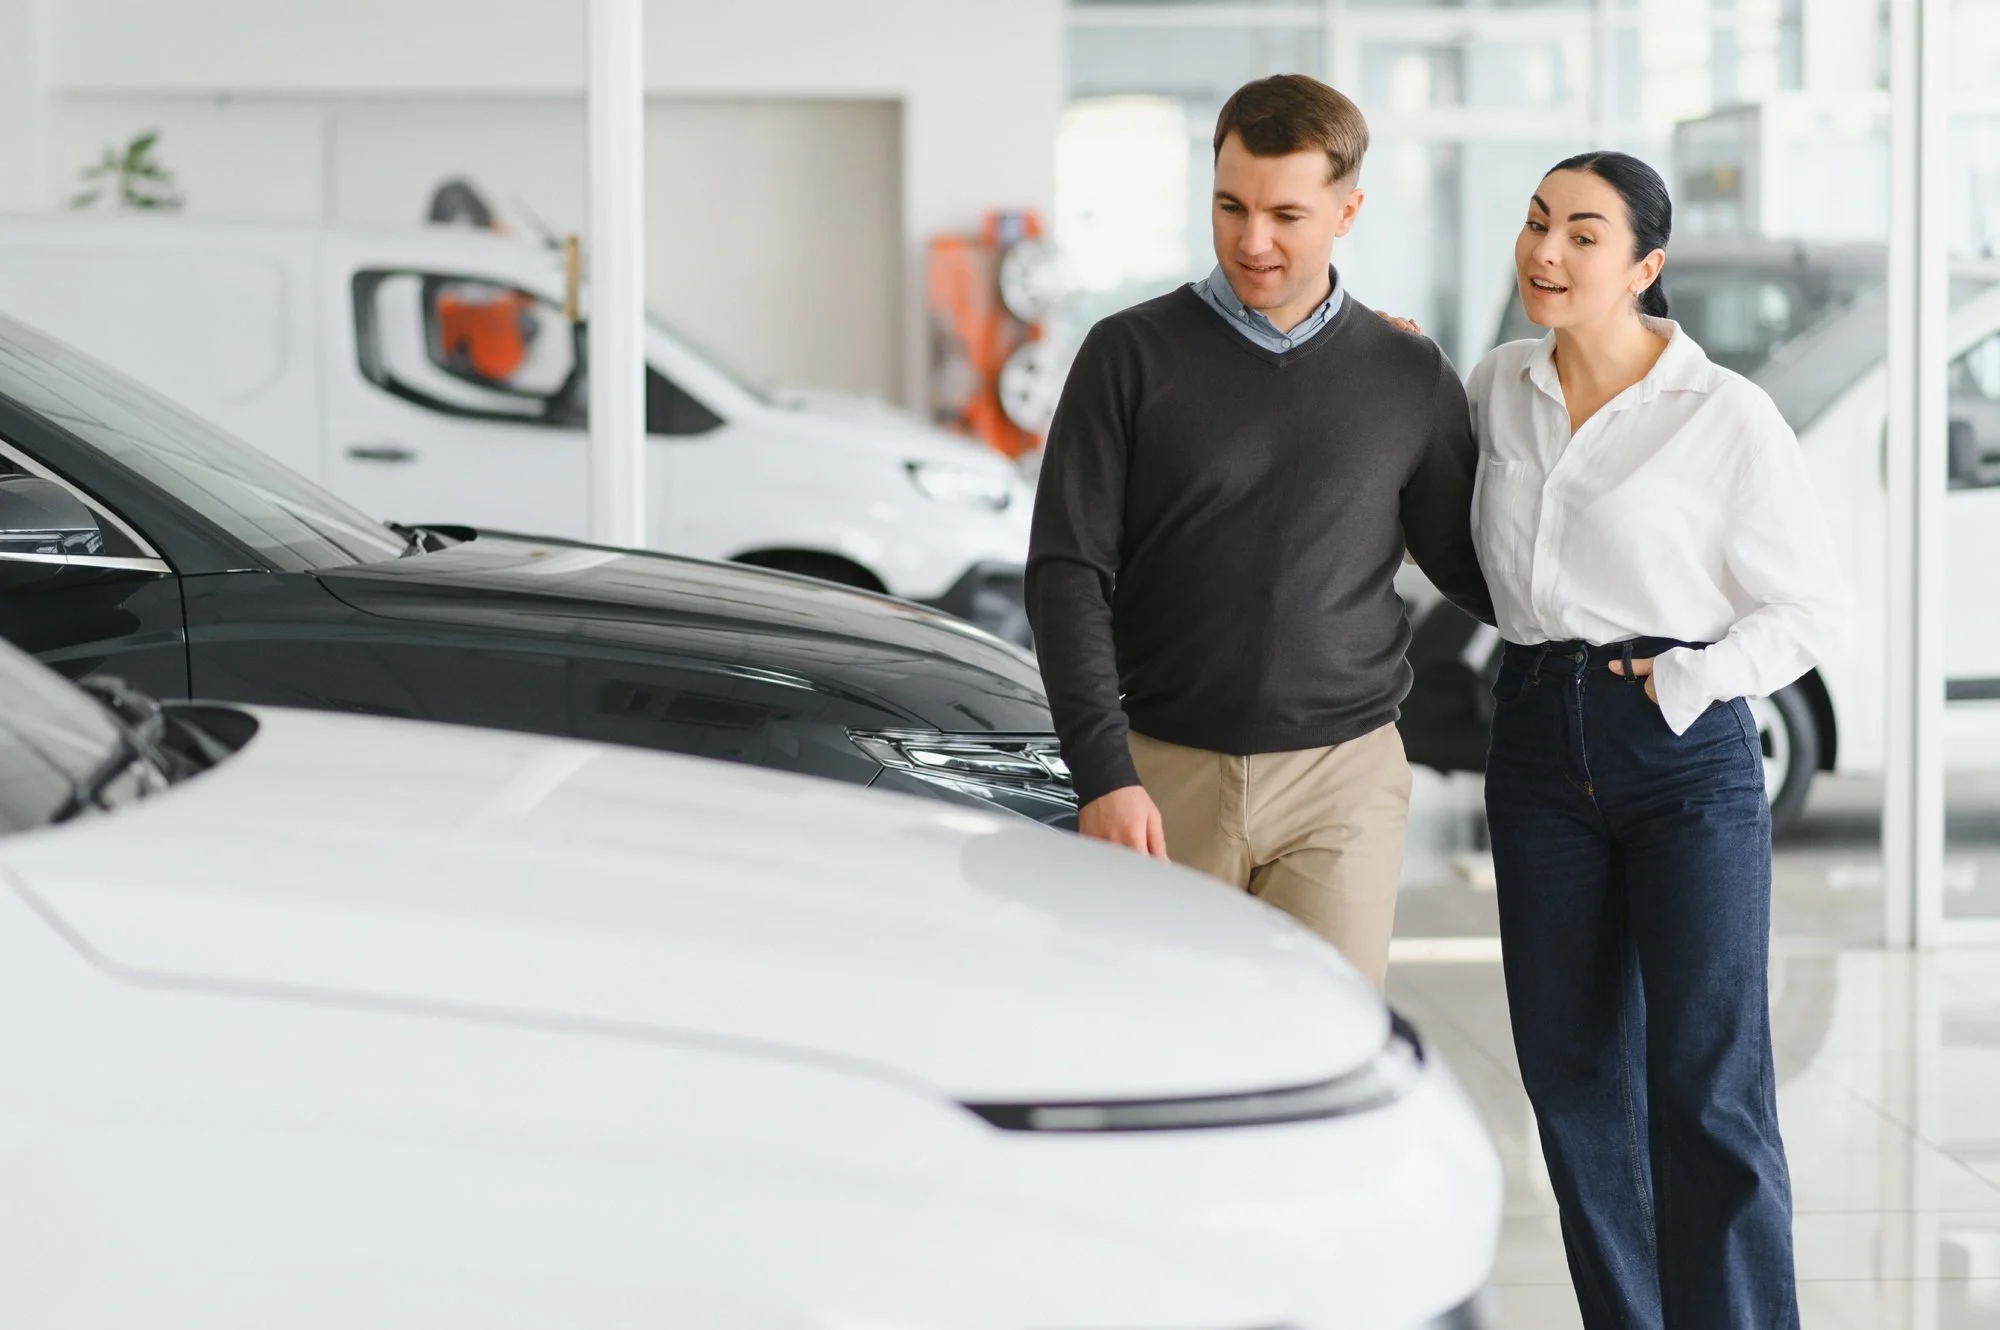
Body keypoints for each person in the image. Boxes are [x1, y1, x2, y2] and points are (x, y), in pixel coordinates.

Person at [1466, 151, 1843, 1328]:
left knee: (1707, 1084)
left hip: (1680, 754)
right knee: (1573, 1081)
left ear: (1644, 265)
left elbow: (1808, 609)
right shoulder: (1493, 388)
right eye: (1536, 224)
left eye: (1582, 234)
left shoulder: (1722, 414)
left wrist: (1691, 684)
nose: (1546, 251)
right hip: (1534, 744)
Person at [1025, 74, 1493, 990]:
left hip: (1343, 781)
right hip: (1164, 772)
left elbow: (1477, 566)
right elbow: (1066, 573)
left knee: (1326, 1054)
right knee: (1164, 1055)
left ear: (1348, 210)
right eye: (1230, 206)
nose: (1253, 241)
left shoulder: (1406, 372)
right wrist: (1104, 774)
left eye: (1286, 213)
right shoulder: (1128, 355)